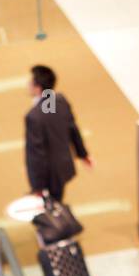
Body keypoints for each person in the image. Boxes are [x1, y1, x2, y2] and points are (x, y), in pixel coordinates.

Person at [25, 64, 91, 202]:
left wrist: (37, 186)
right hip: (63, 167)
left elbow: (36, 154)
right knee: (57, 200)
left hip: (50, 176)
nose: (27, 84)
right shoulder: (60, 100)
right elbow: (72, 128)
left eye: (30, 82)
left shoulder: (33, 117)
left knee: (51, 209)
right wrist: (83, 154)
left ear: (37, 87)